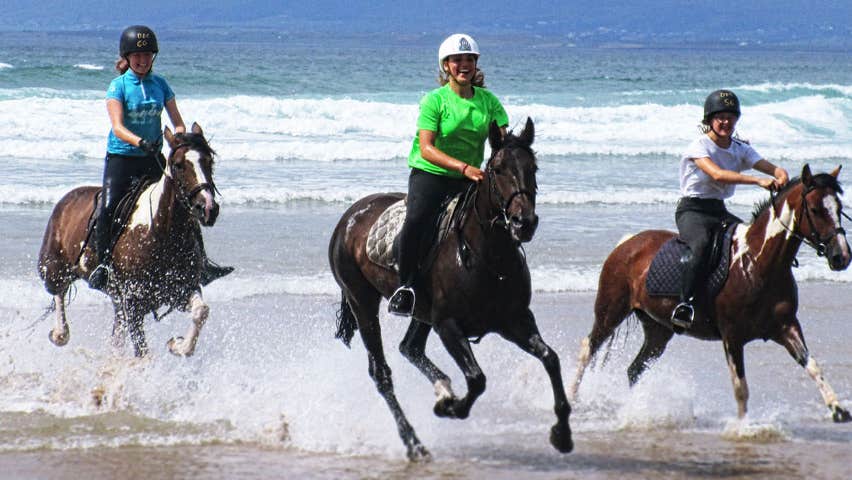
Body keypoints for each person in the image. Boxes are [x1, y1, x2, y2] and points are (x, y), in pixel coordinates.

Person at [88, 25, 233, 291]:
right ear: (127, 57)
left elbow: (177, 121)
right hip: (123, 158)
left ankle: (202, 264)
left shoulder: (160, 84)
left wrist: (180, 140)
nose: (143, 61)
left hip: (152, 159)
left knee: (183, 205)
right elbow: (118, 127)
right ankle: (103, 266)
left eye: (148, 55)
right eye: (137, 56)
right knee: (108, 208)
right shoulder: (117, 86)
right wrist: (140, 141)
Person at [387, 33, 509, 316]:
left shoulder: (489, 102)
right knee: (417, 220)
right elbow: (427, 148)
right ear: (446, 66)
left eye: (469, 59)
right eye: (457, 60)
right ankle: (405, 288)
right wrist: (463, 167)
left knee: (500, 219)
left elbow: (501, 144)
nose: (464, 65)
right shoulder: (435, 101)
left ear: (476, 64)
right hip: (431, 174)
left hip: (471, 177)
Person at [671, 89, 789, 328]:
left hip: (718, 210)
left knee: (751, 239)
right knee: (701, 245)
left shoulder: (740, 148)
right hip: (693, 211)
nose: (726, 122)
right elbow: (718, 174)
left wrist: (780, 174)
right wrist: (757, 180)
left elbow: (767, 166)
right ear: (709, 120)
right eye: (720, 117)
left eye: (731, 117)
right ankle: (686, 305)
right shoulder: (699, 146)